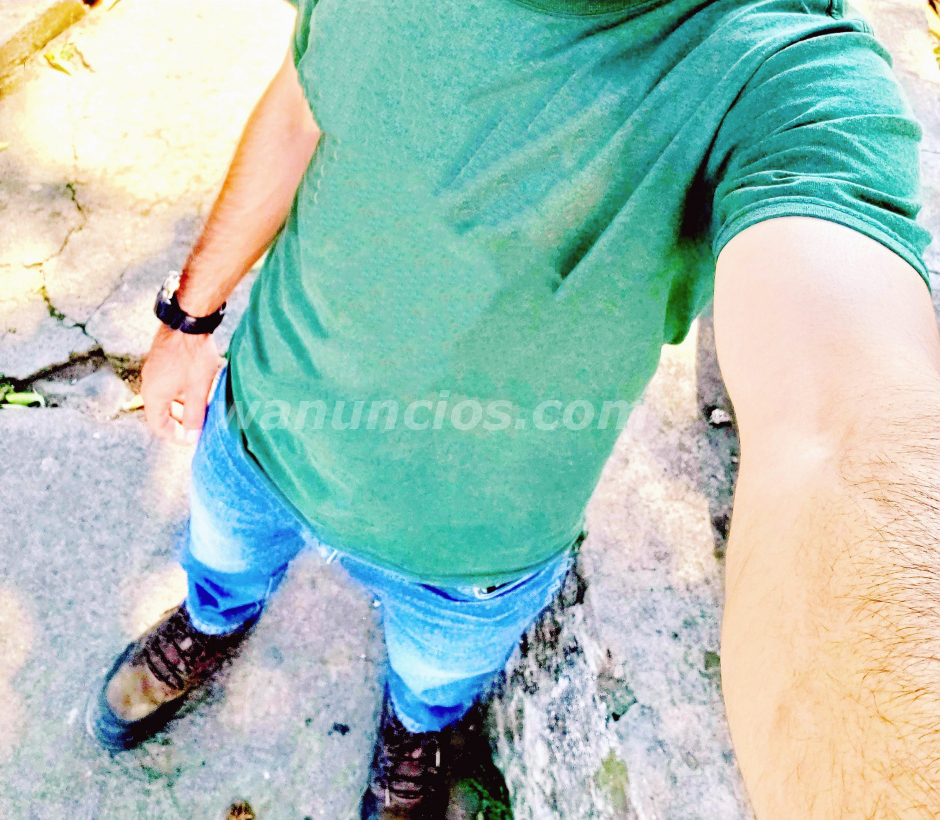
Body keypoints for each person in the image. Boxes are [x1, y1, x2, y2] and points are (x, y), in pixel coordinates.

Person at [85, 0, 940, 815]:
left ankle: (417, 734)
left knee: (434, 686)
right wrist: (188, 319)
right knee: (219, 567)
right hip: (259, 429)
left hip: (472, 553)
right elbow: (303, 103)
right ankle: (211, 624)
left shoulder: (774, 73)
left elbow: (838, 430)